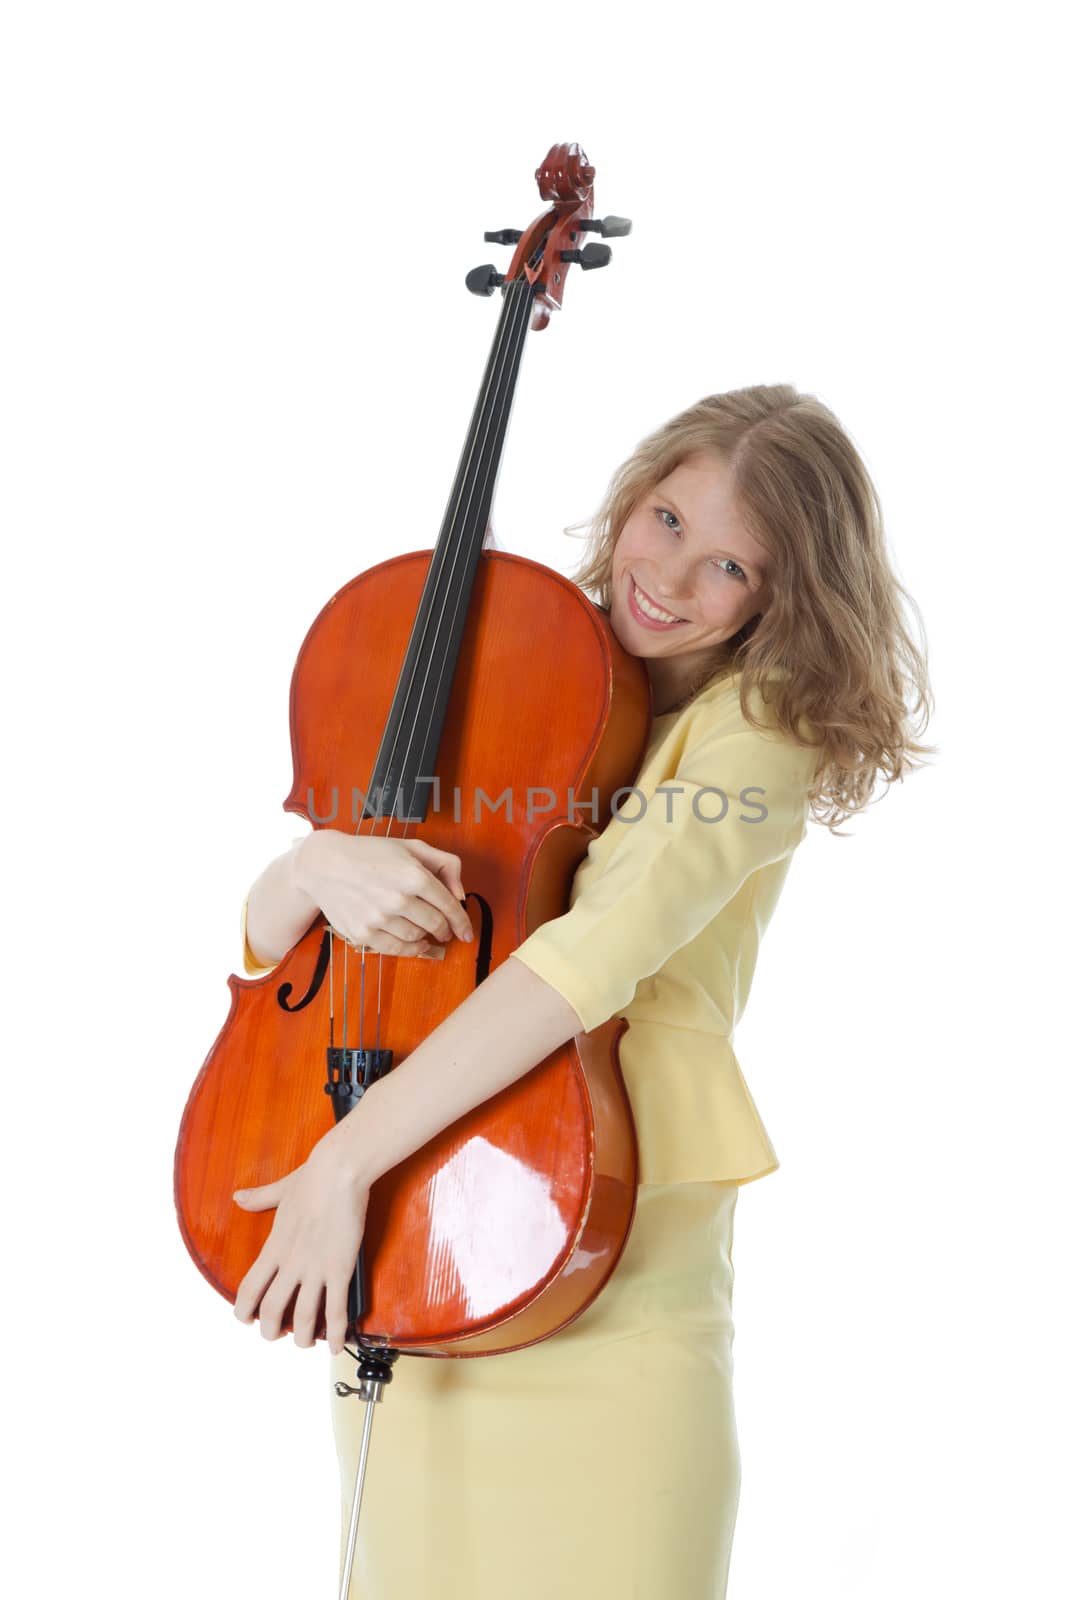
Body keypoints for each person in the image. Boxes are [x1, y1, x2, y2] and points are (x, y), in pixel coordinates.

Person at [232, 384, 933, 1598]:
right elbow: (275, 957)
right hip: (419, 1232)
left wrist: (341, 1161)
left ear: (782, 597)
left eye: (729, 566)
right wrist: (312, 865)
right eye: (663, 518)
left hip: (599, 1239)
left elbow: (577, 966)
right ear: (631, 490)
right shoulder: (519, 656)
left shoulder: (756, 734)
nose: (667, 576)